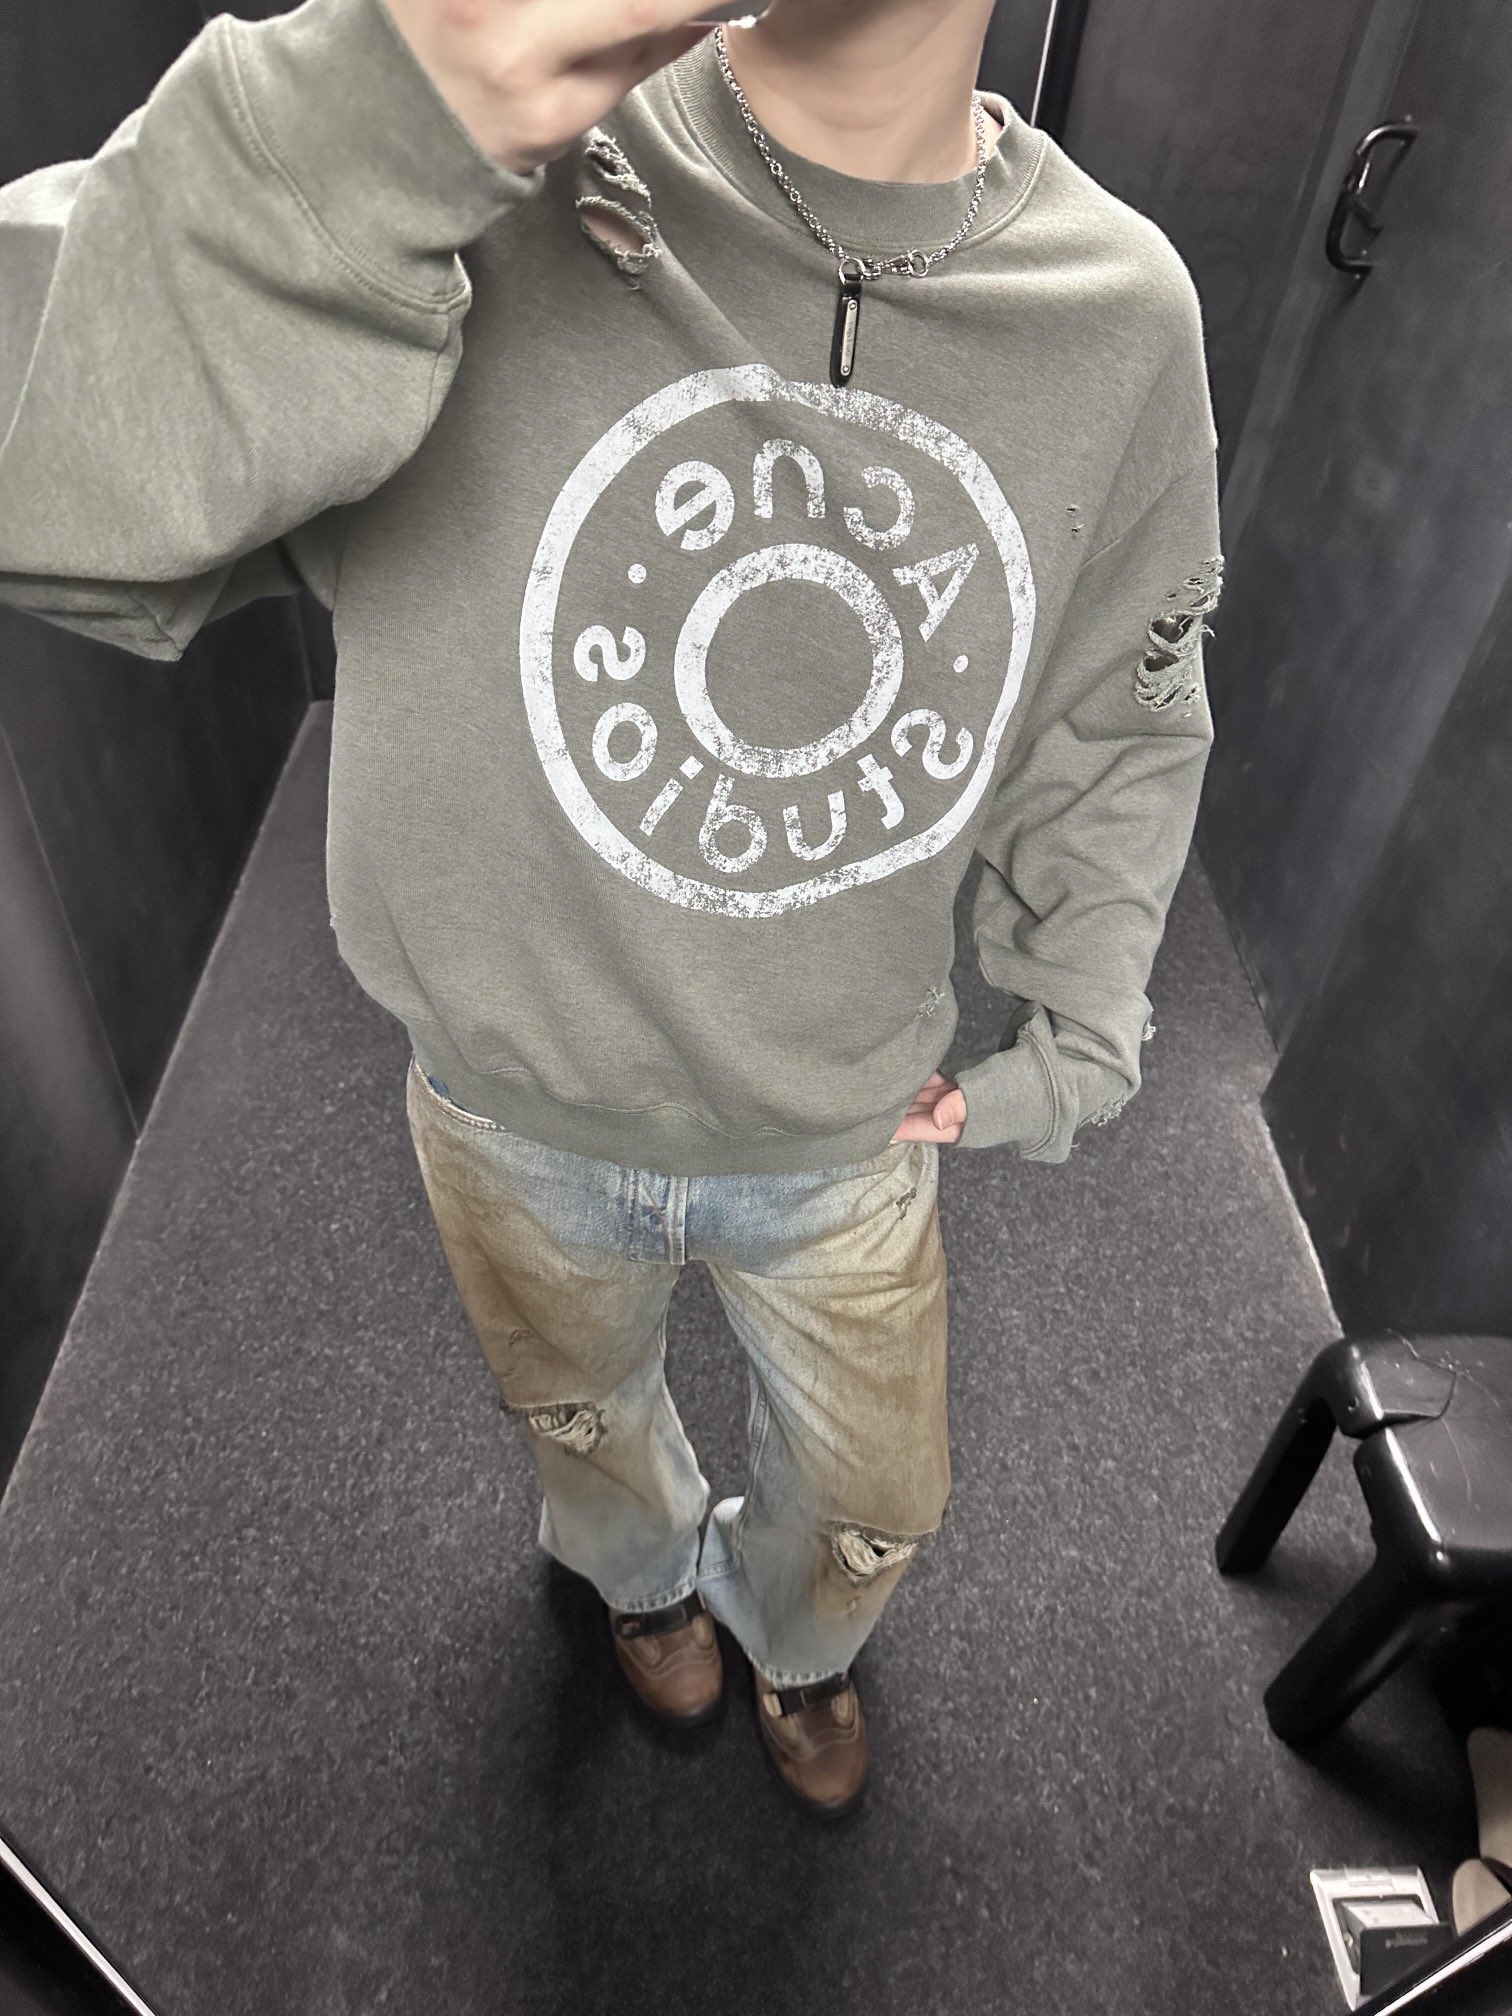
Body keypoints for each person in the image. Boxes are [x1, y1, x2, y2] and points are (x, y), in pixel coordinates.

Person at [0, 0, 1224, 1818]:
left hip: (841, 1123)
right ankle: (643, 1587)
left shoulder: (1118, 313)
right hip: (511, 1113)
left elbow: (1120, 712)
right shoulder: (477, 173)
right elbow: (46, 473)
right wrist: (389, 109)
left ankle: (795, 1641)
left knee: (880, 1499)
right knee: (578, 1423)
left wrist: (1081, 1027)